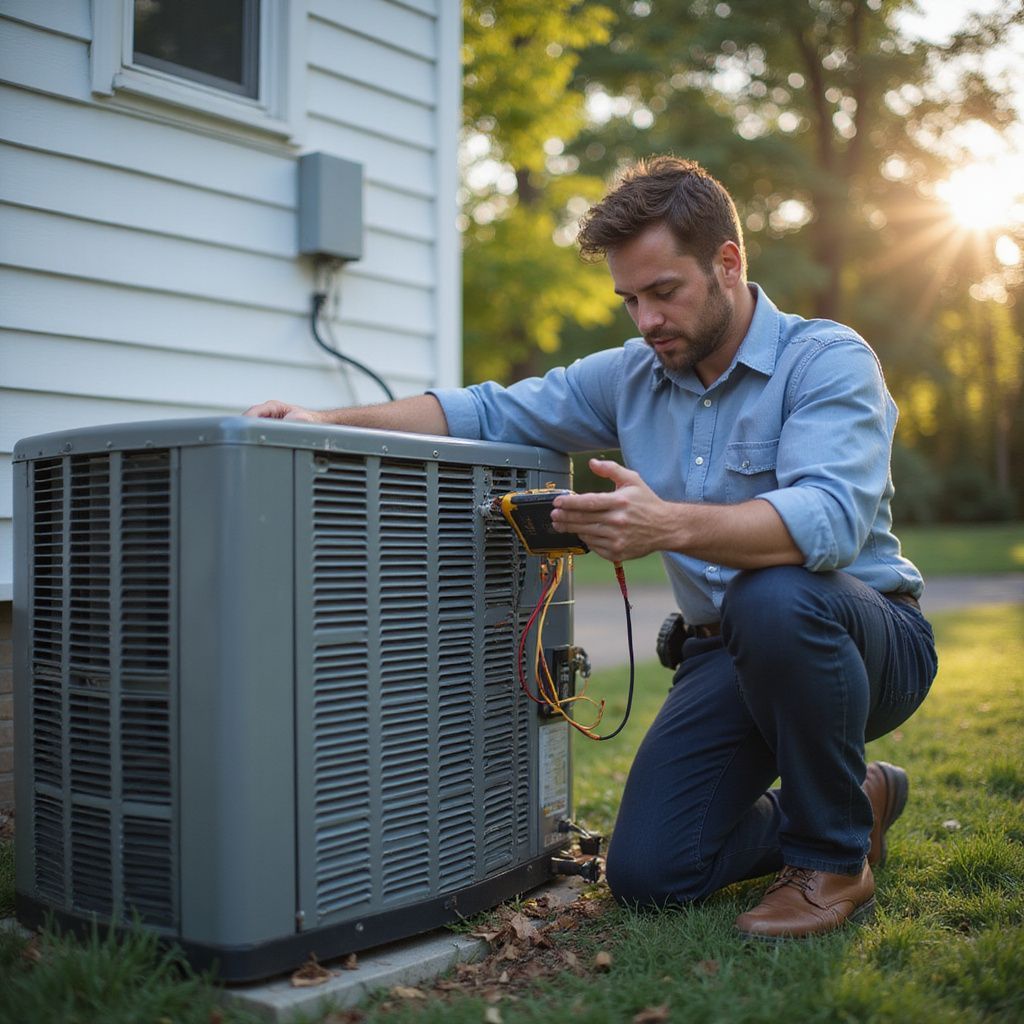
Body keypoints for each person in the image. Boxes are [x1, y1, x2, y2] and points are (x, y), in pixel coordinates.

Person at [246, 156, 937, 940]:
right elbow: (484, 411)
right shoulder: (632, 375)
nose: (646, 321)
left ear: (728, 264)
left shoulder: (825, 360)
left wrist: (666, 524)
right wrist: (326, 422)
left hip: (866, 636)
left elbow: (830, 520)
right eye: (630, 300)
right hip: (729, 653)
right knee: (652, 872)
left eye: (664, 292)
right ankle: (859, 796)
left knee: (772, 594)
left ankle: (832, 861)